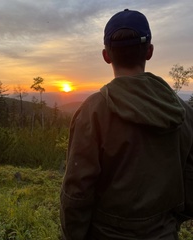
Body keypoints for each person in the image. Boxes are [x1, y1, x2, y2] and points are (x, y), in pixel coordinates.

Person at [60, 9, 193, 240]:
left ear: (106, 55)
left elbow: (77, 192)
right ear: (149, 51)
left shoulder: (93, 112)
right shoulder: (183, 112)